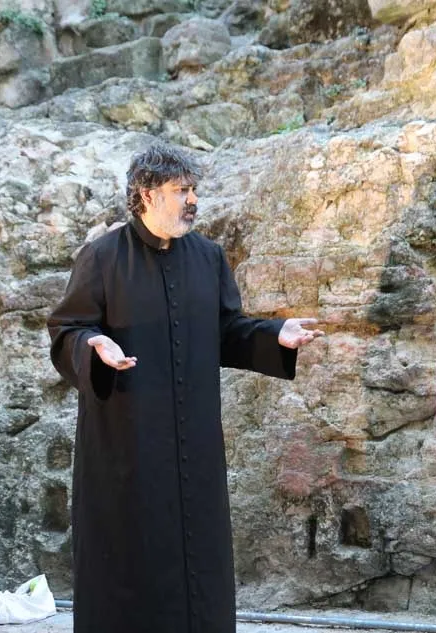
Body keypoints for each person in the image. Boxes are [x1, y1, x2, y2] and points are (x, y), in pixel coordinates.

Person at [47, 143, 323, 633]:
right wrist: (94, 345)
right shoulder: (102, 257)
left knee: (199, 556)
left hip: (194, 445)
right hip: (126, 445)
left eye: (194, 190)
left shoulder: (208, 257)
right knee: (130, 557)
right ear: (147, 194)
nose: (193, 200)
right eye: (182, 190)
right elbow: (66, 329)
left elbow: (226, 331)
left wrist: (273, 334)